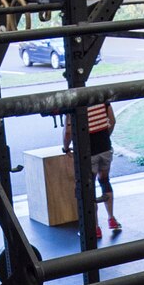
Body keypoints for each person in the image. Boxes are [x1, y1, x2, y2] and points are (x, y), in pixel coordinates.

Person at [60, 101, 120, 239]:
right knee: (105, 181)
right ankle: (112, 219)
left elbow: (68, 132)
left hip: (88, 153)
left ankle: (95, 227)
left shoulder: (73, 106)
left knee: (89, 187)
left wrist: (66, 148)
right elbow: (112, 121)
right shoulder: (102, 100)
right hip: (105, 148)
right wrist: (105, 137)